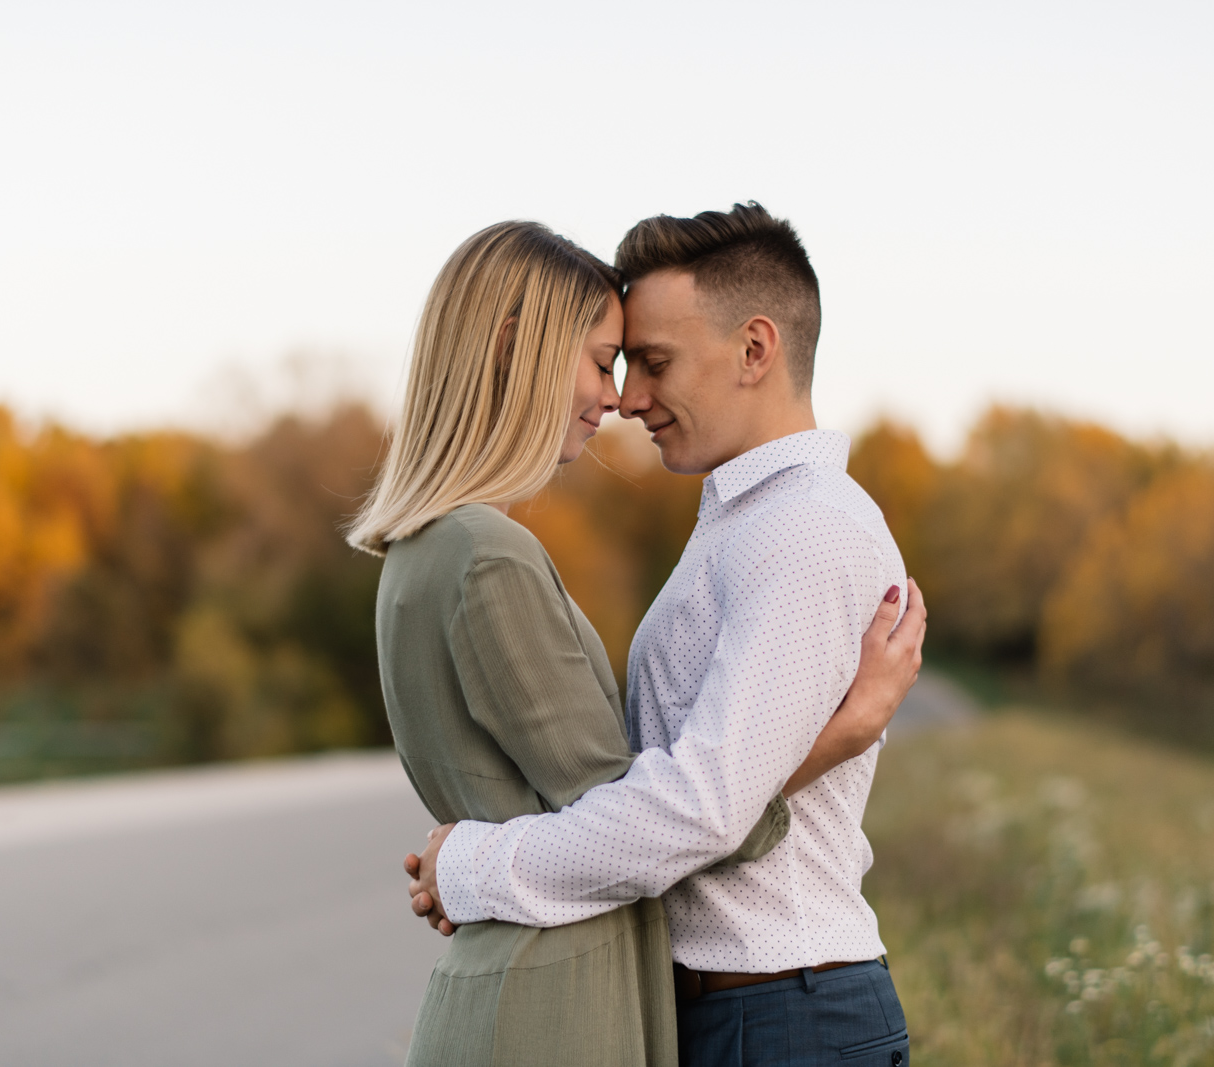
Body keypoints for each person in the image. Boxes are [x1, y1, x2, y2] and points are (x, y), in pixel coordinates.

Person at [351, 220, 923, 1067]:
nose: (627, 396)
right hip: (723, 1009)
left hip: (783, 1010)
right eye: (617, 364)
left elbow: (699, 805)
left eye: (653, 362)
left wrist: (473, 864)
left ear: (754, 349)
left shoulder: (803, 528)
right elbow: (679, 788)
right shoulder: (738, 522)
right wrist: (830, 742)